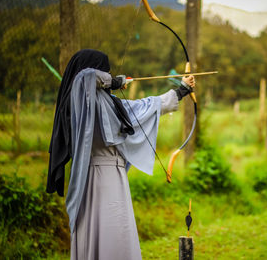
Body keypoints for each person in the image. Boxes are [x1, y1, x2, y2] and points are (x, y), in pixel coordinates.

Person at [46, 49, 195, 259]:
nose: (107, 76)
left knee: (117, 234)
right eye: (105, 72)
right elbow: (84, 78)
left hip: (115, 179)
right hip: (94, 178)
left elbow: (147, 106)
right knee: (104, 230)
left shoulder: (110, 104)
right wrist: (114, 82)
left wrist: (182, 90)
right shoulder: (81, 101)